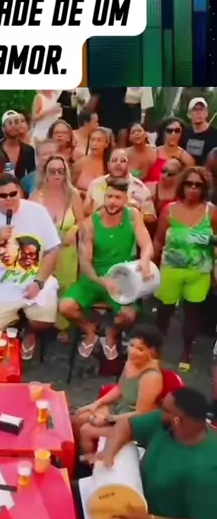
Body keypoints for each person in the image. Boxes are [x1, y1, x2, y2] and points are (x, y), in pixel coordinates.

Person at [90, 387, 217, 519]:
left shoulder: (207, 469)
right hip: (136, 505)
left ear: (178, 419)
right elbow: (126, 425)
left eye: (164, 409)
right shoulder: (165, 422)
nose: (158, 412)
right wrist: (109, 452)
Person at [0, 173, 60, 359]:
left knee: (44, 321)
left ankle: (30, 331)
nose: (9, 199)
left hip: (33, 278)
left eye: (13, 194)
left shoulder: (38, 212)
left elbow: (53, 250)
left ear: (20, 192)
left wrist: (39, 282)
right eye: (3, 196)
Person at [59, 179, 154, 360]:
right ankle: (90, 330)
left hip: (122, 278)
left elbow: (147, 244)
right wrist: (101, 281)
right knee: (65, 306)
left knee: (128, 315)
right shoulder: (91, 223)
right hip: (95, 278)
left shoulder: (133, 216)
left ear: (125, 199)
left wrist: (145, 260)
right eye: (109, 196)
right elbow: (85, 262)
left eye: (117, 197)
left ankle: (111, 333)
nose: (112, 201)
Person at [154, 166, 217, 371]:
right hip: (171, 269)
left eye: (198, 185)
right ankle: (155, 347)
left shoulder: (212, 212)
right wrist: (150, 265)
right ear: (182, 186)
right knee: (164, 310)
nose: (193, 188)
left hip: (199, 271)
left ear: (204, 188)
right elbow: (158, 240)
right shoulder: (169, 210)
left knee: (192, 313)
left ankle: (186, 350)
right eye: (189, 184)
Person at [73, 324, 164, 454]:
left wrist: (108, 419)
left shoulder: (151, 377)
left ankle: (89, 462)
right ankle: (74, 457)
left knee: (86, 430)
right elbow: (120, 388)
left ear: (152, 351)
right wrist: (96, 404)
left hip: (132, 423)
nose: (132, 352)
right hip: (119, 407)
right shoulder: (131, 362)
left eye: (140, 349)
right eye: (131, 345)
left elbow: (141, 414)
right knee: (78, 418)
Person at [30, 155, 84, 336]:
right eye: (52, 171)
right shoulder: (36, 196)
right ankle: (43, 322)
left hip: (67, 251)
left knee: (66, 287)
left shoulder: (73, 195)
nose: (56, 175)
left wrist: (74, 230)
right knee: (44, 285)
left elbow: (82, 222)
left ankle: (64, 326)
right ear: (45, 173)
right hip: (43, 252)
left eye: (60, 171)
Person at [84, 148, 156, 224]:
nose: (118, 163)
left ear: (128, 165)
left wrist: (133, 215)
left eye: (123, 161)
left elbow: (151, 217)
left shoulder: (140, 188)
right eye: (114, 160)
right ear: (108, 165)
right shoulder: (95, 184)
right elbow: (86, 211)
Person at [147, 117, 194, 182]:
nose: (173, 134)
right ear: (163, 132)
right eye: (169, 130)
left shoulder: (187, 159)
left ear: (182, 133)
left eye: (177, 130)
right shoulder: (152, 153)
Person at [72, 127, 112, 196]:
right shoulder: (80, 163)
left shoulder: (110, 165)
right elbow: (69, 187)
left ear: (106, 144)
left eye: (99, 140)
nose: (95, 143)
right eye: (92, 140)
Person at [0, 110, 36, 179]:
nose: (13, 125)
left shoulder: (28, 150)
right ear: (3, 128)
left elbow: (32, 174)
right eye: (10, 123)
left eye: (16, 122)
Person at [184, 97, 217, 164]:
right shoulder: (184, 132)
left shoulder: (215, 134)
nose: (198, 112)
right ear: (189, 114)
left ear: (206, 113)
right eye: (195, 109)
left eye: (201, 109)